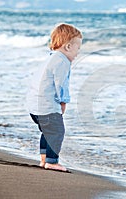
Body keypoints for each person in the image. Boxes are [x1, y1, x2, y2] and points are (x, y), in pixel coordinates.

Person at [26, 23, 82, 172]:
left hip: (34, 105)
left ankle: (44, 159)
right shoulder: (62, 61)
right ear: (68, 47)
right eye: (78, 48)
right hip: (47, 105)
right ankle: (52, 162)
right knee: (57, 131)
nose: (78, 53)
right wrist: (63, 101)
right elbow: (61, 84)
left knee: (48, 131)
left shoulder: (50, 58)